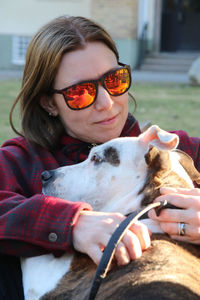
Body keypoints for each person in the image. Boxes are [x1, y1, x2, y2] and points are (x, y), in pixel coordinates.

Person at [0, 15, 199, 300]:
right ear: (48, 103)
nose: (107, 104)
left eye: (114, 80)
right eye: (80, 93)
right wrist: (70, 224)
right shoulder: (21, 162)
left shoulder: (174, 154)